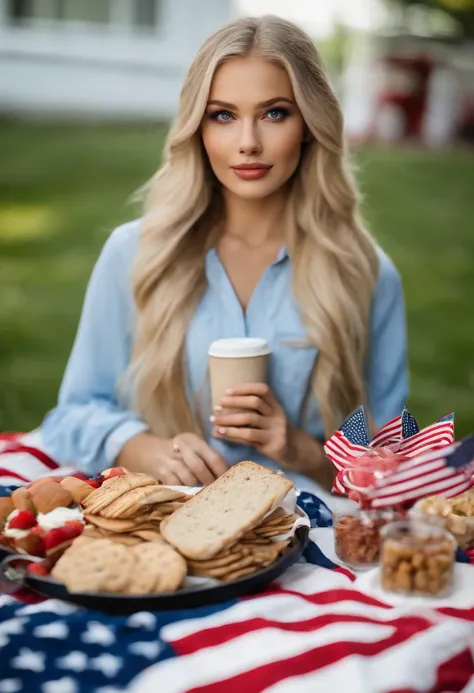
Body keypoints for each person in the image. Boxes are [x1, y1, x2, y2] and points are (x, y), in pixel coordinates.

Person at [41, 15, 408, 497]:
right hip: (166, 529)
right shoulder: (137, 254)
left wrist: (303, 450)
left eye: (275, 112)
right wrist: (144, 447)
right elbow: (71, 414)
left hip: (311, 538)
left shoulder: (366, 273)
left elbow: (394, 458)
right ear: (197, 128)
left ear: (309, 125)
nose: (248, 142)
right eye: (223, 115)